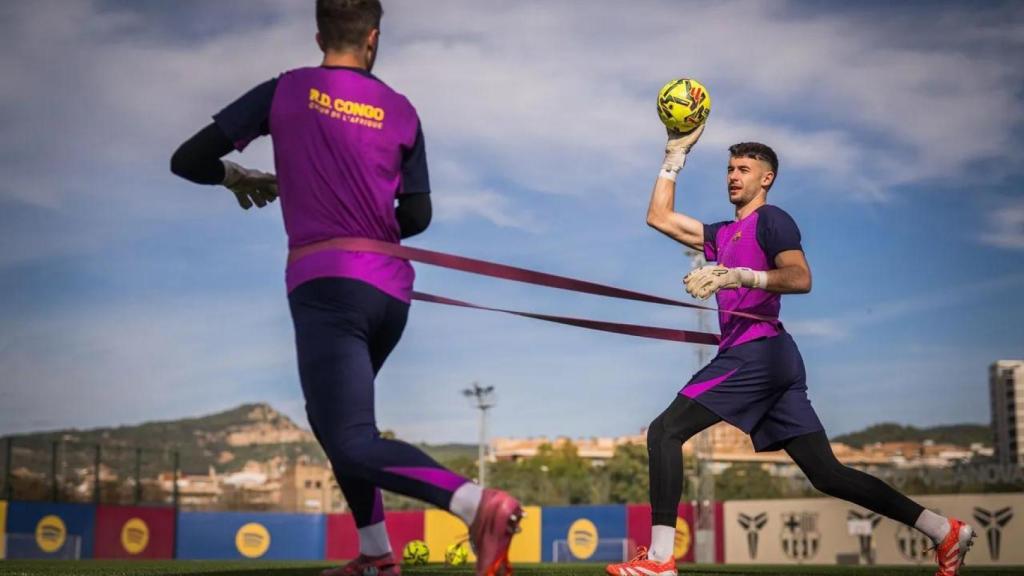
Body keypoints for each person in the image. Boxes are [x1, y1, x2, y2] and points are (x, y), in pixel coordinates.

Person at [169, 2, 521, 575]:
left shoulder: (285, 91)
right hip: (389, 292)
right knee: (333, 422)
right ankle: (377, 555)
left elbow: (188, 160)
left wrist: (239, 176)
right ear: (373, 38)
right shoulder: (402, 110)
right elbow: (419, 216)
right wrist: (369, 230)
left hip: (326, 285)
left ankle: (476, 505)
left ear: (318, 36)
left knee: (350, 437)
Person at [605, 125, 975, 576]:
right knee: (826, 473)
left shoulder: (772, 219)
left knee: (665, 431)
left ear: (767, 179)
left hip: (757, 352)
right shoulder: (722, 233)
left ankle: (660, 560)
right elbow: (659, 217)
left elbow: (800, 277)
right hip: (773, 358)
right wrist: (674, 157)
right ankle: (943, 530)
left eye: (744, 169)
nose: (733, 176)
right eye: (729, 169)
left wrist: (738, 276)